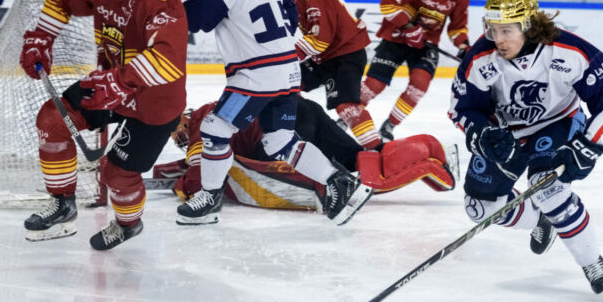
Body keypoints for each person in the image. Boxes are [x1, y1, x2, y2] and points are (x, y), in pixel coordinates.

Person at [178, 0, 373, 227]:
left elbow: (192, 20)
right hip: (288, 71)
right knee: (279, 140)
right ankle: (338, 181)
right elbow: (291, 14)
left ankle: (209, 201)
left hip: (255, 77)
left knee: (214, 130)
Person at [448, 0, 603, 302]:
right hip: (507, 134)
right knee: (479, 207)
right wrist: (482, 135)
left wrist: (587, 145)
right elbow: (462, 109)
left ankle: (591, 262)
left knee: (547, 186)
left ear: (528, 25)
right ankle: (541, 220)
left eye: (506, 30)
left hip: (559, 123)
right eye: (492, 29)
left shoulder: (569, 52)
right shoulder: (481, 58)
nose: (498, 39)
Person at [18, 0, 188, 251]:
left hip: (155, 100)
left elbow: (167, 59)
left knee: (117, 175)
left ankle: (128, 224)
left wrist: (120, 82)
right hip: (110, 86)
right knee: (52, 120)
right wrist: (41, 37)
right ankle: (63, 203)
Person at [154, 96, 455, 210]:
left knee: (312, 176)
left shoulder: (200, 121)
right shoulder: (213, 108)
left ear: (184, 116)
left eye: (175, 129)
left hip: (283, 130)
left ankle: (427, 163)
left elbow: (199, 177)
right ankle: (430, 149)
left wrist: (180, 186)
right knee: (361, 161)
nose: (179, 137)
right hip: (302, 109)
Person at [361, 0, 471, 142]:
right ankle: (350, 117)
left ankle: (389, 126)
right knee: (374, 85)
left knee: (419, 85)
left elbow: (457, 27)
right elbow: (387, 4)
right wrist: (409, 27)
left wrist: (463, 45)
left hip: (425, 46)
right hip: (396, 39)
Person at [276, 0, 380, 148]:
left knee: (347, 107)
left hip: (346, 55)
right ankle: (291, 137)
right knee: (287, 84)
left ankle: (376, 150)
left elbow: (321, 39)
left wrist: (291, 56)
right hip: (326, 56)